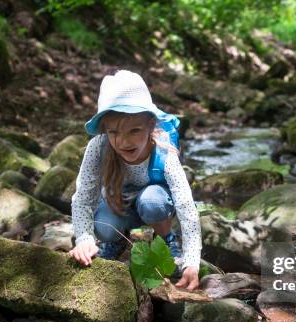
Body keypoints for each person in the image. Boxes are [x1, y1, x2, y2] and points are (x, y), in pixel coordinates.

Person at [69, 69, 201, 291]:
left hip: (154, 205)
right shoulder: (98, 147)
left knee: (152, 201)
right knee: (104, 226)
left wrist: (192, 261)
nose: (123, 142)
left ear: (151, 125)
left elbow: (186, 206)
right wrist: (84, 239)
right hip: (117, 205)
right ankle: (117, 239)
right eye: (114, 133)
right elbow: (83, 198)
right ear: (104, 130)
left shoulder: (163, 151)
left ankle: (167, 238)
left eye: (134, 131)